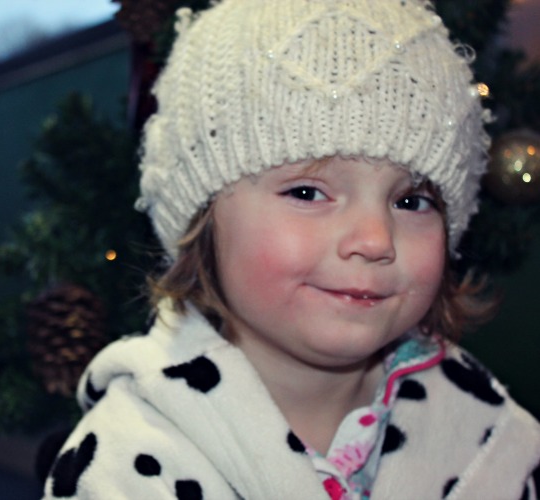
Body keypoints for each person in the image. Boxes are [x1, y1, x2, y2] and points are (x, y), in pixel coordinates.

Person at [42, 0, 540, 498]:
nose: (375, 240)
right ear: (203, 224)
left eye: (411, 201)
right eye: (307, 193)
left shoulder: (491, 436)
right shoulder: (126, 467)